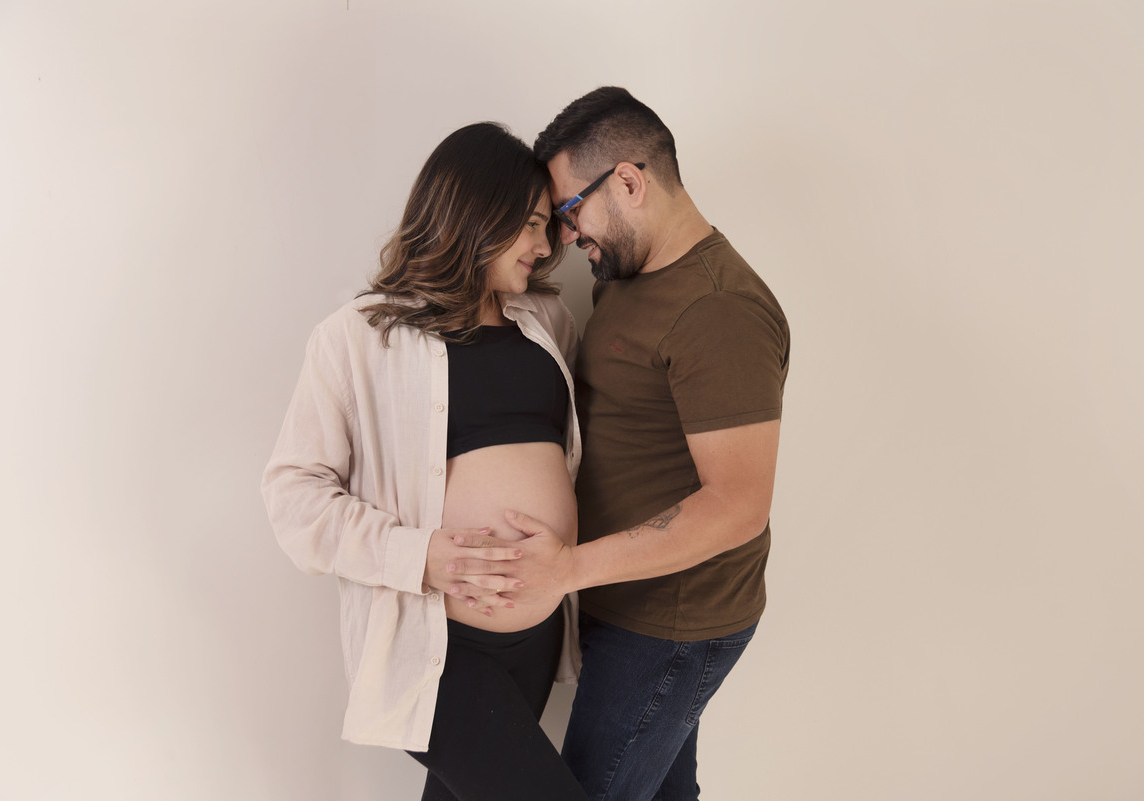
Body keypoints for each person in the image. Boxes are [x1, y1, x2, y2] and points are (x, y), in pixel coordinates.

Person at [461, 87, 790, 800]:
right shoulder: (631, 273)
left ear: (630, 182)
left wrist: (564, 571)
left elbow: (738, 506)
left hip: (670, 625)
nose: (565, 239)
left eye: (570, 212)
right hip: (627, 611)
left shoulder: (719, 310)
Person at [261, 122, 589, 801]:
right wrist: (420, 555)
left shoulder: (547, 323)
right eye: (531, 224)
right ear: (477, 213)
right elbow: (294, 496)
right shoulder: (358, 337)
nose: (546, 245)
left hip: (533, 641)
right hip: (436, 648)